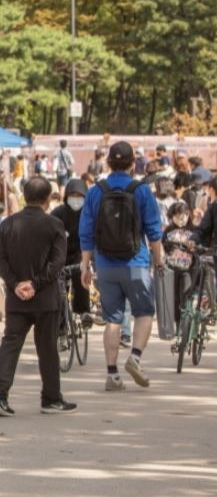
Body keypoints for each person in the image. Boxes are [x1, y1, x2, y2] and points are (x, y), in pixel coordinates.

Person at [79, 141, 164, 392]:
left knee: (113, 319)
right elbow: (154, 230)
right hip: (136, 262)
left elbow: (86, 232)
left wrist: (85, 265)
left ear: (108, 163)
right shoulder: (142, 190)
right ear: (132, 163)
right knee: (144, 313)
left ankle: (112, 374)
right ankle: (135, 357)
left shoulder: (96, 191)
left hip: (105, 264)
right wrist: (158, 260)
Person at [0, 177, 74, 417]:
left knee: (10, 343)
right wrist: (36, 284)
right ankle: (51, 398)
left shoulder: (8, 224)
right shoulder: (54, 225)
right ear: (47, 199)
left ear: (24, 196)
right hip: (46, 297)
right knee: (47, 348)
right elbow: (57, 262)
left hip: (17, 298)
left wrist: (15, 283)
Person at [50, 179, 93, 329]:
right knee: (58, 286)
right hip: (59, 254)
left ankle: (84, 312)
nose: (76, 199)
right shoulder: (57, 213)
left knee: (80, 274)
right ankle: (60, 323)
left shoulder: (89, 214)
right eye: (72, 195)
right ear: (66, 196)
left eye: (79, 196)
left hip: (80, 254)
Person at [164, 201, 197, 326]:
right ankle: (178, 324)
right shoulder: (168, 230)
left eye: (184, 216)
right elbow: (163, 245)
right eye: (178, 217)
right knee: (174, 298)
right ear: (172, 217)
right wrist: (170, 246)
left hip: (188, 270)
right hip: (172, 269)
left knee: (185, 295)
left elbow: (198, 247)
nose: (181, 220)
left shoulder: (193, 231)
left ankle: (186, 324)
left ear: (188, 215)